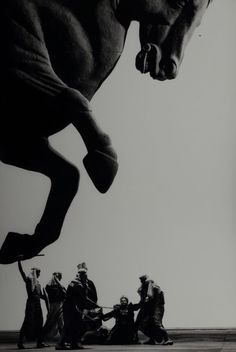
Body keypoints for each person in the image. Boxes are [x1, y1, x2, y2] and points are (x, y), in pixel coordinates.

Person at [56, 262, 98, 350]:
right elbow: (82, 300)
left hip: (73, 307)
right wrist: (93, 306)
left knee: (76, 325)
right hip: (71, 308)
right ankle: (60, 344)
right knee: (69, 326)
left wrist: (93, 304)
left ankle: (73, 343)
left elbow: (84, 298)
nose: (86, 278)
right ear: (81, 276)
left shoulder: (74, 283)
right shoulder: (77, 286)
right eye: (84, 276)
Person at [17, 261, 49, 349]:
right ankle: (20, 342)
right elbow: (22, 272)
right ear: (35, 273)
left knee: (40, 322)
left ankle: (39, 342)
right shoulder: (29, 281)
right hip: (31, 305)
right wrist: (19, 262)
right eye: (38, 273)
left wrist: (45, 297)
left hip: (38, 305)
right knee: (27, 322)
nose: (39, 274)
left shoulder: (38, 284)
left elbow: (40, 295)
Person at [135, 275, 173, 345]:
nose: (143, 282)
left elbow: (156, 299)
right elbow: (143, 301)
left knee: (156, 323)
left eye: (144, 281)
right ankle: (152, 338)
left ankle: (167, 339)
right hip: (150, 309)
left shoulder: (154, 287)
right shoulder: (143, 289)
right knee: (141, 324)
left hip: (157, 307)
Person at [42, 272, 67, 341]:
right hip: (56, 306)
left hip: (55, 306)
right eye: (60, 276)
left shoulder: (48, 286)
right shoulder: (57, 287)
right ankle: (40, 340)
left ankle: (63, 341)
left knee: (59, 324)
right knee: (52, 323)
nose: (61, 278)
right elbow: (64, 295)